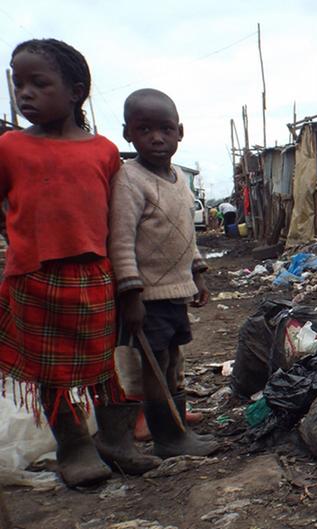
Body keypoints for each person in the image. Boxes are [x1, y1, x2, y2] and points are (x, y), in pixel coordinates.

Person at [0, 39, 158, 487]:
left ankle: (115, 443)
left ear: (75, 92)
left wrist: (130, 286)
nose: (24, 93)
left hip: (93, 276)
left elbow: (117, 222)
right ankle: (73, 447)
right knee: (50, 373)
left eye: (38, 83)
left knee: (101, 369)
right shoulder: (9, 147)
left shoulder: (104, 151)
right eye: (18, 84)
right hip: (32, 277)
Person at [109, 88, 218, 458]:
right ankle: (169, 439)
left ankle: (176, 429)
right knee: (156, 368)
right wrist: (130, 294)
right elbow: (120, 241)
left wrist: (197, 274)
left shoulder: (179, 180)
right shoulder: (129, 180)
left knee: (171, 361)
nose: (156, 138)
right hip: (147, 296)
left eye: (165, 129)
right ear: (127, 134)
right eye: (145, 129)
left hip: (175, 292)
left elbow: (187, 234)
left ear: (180, 132)